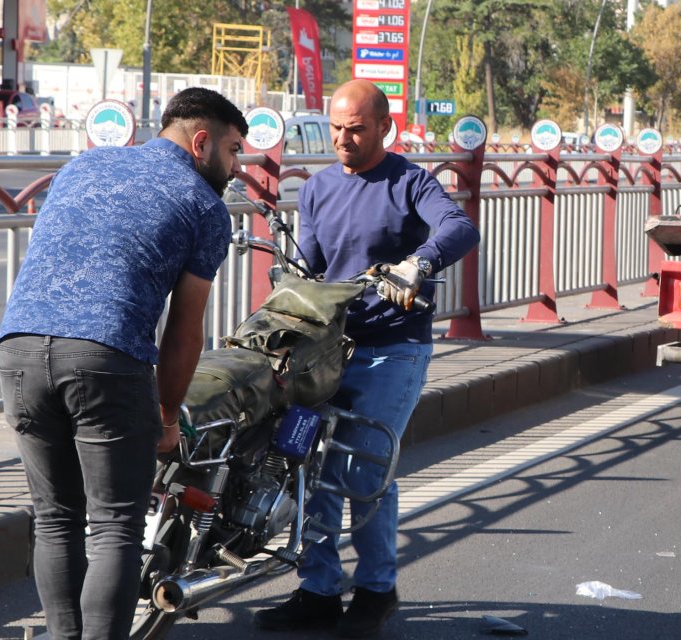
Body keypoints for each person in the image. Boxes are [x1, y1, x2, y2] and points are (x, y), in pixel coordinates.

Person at [0, 87, 247, 639]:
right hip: (105, 357)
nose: (236, 166)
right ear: (200, 140)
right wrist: (165, 414)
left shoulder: (84, 164)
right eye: (232, 151)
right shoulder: (205, 206)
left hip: (16, 351)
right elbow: (184, 332)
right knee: (114, 526)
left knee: (57, 519)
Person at [253, 80, 479, 638]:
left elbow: (460, 227)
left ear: (384, 127)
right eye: (335, 128)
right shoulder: (319, 187)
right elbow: (312, 264)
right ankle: (318, 590)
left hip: (393, 350)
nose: (343, 139)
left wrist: (418, 265)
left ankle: (378, 591)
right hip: (329, 349)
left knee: (361, 467)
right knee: (304, 463)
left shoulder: (409, 181)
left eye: (355, 128)